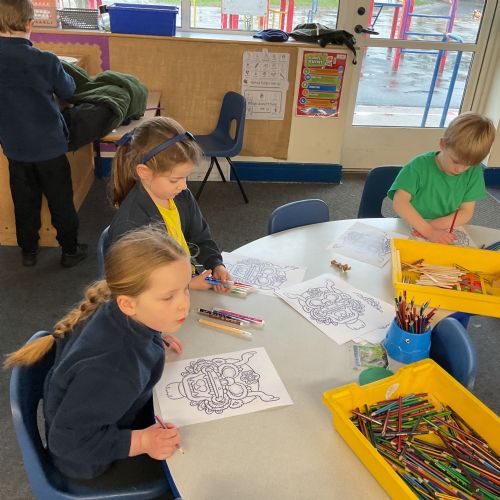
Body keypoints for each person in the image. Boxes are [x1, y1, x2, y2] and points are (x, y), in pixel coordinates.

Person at [5, 226, 187, 483]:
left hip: (106, 419)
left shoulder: (119, 309)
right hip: (90, 461)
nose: (184, 303)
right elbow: (66, 441)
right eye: (168, 297)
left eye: (185, 288)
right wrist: (143, 441)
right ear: (128, 303)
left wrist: (154, 336)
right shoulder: (114, 366)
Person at [0, 0, 87, 267]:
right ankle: (69, 250)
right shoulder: (45, 60)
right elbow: (69, 91)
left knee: (24, 201)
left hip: (15, 148)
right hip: (50, 148)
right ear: (30, 23)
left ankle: (28, 251)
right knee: (61, 201)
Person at [109, 116, 231, 292]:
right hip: (158, 297)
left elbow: (201, 238)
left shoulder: (182, 196)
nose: (184, 186)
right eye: (175, 179)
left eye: (185, 177)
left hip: (183, 284)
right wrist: (186, 285)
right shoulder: (130, 223)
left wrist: (216, 264)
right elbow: (136, 284)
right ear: (144, 172)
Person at [388, 112, 496, 244]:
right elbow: (400, 202)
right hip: (410, 225)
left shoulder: (474, 172)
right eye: (456, 161)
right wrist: (428, 231)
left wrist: (433, 226)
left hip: (443, 229)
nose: (460, 170)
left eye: (468, 165)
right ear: (443, 144)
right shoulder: (418, 166)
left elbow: (466, 212)